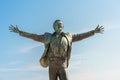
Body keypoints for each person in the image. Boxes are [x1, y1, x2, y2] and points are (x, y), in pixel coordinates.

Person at [9, 19, 104, 80]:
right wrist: (20, 32)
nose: (60, 26)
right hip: (52, 64)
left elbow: (80, 36)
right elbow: (34, 36)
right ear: (54, 27)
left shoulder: (68, 36)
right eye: (58, 24)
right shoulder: (48, 37)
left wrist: (93, 32)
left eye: (61, 24)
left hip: (63, 64)